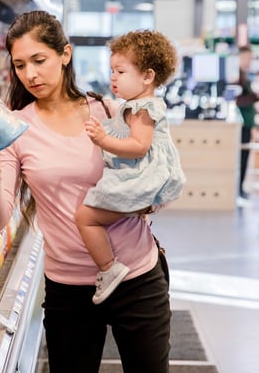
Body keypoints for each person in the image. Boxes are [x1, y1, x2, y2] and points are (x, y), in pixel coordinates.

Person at [0, 10, 172, 373]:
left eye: (39, 60)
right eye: (20, 65)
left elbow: (153, 172)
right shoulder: (16, 129)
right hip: (69, 288)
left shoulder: (108, 110)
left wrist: (150, 202)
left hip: (135, 274)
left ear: (65, 54)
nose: (30, 74)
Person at [75, 30, 185, 304]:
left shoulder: (143, 109)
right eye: (112, 70)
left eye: (120, 71)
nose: (113, 77)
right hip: (144, 175)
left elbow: (139, 146)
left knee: (86, 217)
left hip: (143, 177)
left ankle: (108, 268)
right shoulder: (135, 104)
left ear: (148, 76)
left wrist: (103, 139)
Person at [235, 46, 258, 199]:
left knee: (245, 156)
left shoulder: (243, 75)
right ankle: (239, 190)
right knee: (242, 157)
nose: (250, 61)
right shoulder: (236, 76)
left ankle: (241, 188)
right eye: (248, 58)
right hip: (241, 123)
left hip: (247, 122)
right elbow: (238, 100)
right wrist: (256, 96)